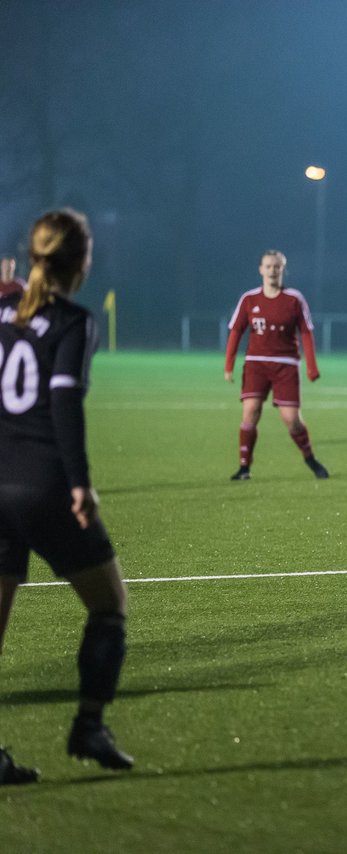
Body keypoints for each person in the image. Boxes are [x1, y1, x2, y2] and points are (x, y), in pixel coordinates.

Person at [0, 209, 134, 784]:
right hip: (43, 486)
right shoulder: (75, 322)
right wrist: (79, 484)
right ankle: (89, 726)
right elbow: (62, 407)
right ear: (80, 262)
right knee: (109, 606)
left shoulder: (2, 314)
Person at [224, 250, 329, 480]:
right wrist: (229, 364)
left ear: (283, 270)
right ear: (261, 269)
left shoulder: (294, 299)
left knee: (291, 419)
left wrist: (312, 366)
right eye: (268, 266)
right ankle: (244, 467)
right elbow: (236, 331)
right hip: (256, 363)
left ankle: (310, 458)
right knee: (250, 412)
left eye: (277, 266)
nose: (272, 270)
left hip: (286, 364)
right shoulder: (249, 299)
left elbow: (306, 332)